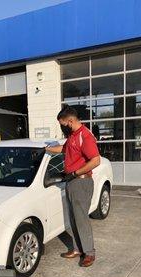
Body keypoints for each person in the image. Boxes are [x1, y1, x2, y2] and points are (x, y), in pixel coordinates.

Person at [46, 105, 101, 268]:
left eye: (62, 123)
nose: (62, 126)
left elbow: (95, 160)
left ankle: (89, 253)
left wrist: (76, 173)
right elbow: (64, 149)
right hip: (71, 181)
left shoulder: (85, 136)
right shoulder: (72, 136)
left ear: (69, 121)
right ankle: (78, 249)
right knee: (74, 218)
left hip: (81, 181)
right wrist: (46, 149)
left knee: (81, 219)